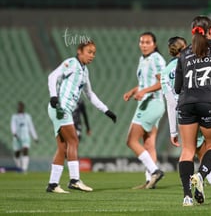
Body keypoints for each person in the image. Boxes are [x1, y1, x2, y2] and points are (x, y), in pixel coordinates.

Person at [161, 36, 211, 205]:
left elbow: (170, 99)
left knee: (191, 151)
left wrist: (173, 130)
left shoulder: (165, 72)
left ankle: (188, 196)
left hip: (184, 111)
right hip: (205, 104)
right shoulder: (197, 58)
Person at [174, 15, 211, 206]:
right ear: (210, 31)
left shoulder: (184, 54)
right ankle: (201, 175)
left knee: (188, 149)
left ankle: (186, 196)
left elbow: (177, 87)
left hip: (186, 104)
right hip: (209, 102)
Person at [47, 40, 117, 193]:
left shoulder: (84, 71)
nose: (92, 56)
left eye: (94, 53)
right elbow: (52, 76)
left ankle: (52, 184)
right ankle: (74, 180)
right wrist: (53, 96)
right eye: (89, 52)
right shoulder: (71, 63)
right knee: (73, 140)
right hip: (60, 109)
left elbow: (90, 94)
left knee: (63, 147)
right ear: (79, 51)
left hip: (64, 111)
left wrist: (106, 111)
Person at [124, 31, 166, 189]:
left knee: (131, 140)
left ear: (154, 44)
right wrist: (133, 91)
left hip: (152, 103)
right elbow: (144, 83)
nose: (144, 45)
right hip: (151, 103)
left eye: (148, 42)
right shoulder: (143, 59)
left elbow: (162, 82)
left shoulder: (156, 59)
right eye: (142, 42)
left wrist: (144, 92)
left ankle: (155, 171)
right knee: (148, 144)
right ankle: (150, 181)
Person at [10, 101, 38, 173]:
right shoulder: (14, 117)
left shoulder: (27, 116)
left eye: (21, 106)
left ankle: (24, 169)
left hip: (26, 136)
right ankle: (18, 167)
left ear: (23, 107)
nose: (20, 108)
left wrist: (35, 137)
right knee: (17, 152)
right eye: (19, 106)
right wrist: (14, 133)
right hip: (17, 136)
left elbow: (31, 126)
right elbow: (13, 125)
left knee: (25, 150)